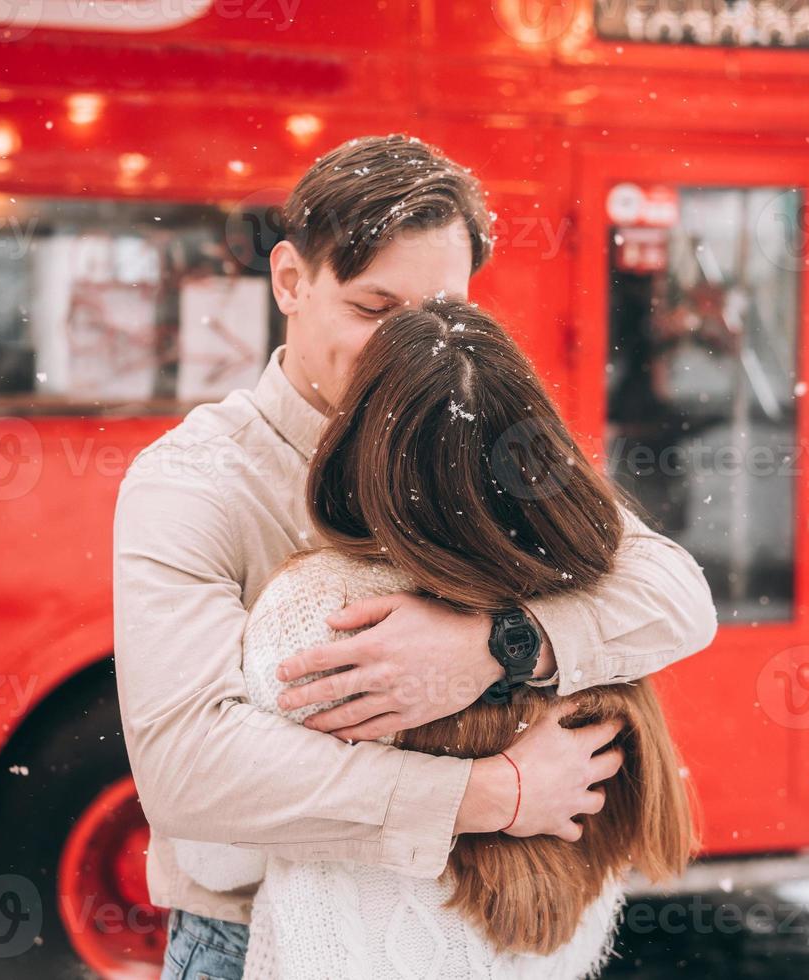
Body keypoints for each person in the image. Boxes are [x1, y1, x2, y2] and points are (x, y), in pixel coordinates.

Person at [112, 134, 717, 980]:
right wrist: (491, 797)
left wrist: (496, 646)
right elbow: (187, 771)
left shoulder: (473, 428)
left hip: (484, 933)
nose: (410, 351)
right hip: (259, 943)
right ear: (290, 280)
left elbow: (675, 593)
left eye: (440, 312)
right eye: (373, 309)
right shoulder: (193, 482)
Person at [177, 299, 695, 978]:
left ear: (359, 448)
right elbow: (687, 598)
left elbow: (216, 858)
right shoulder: (602, 592)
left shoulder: (316, 613)